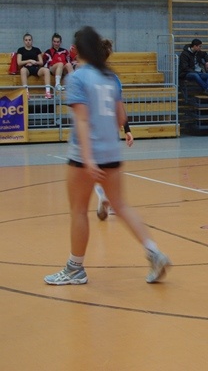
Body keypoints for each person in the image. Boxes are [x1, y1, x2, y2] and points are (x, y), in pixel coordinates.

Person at [44, 26, 170, 285]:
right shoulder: (111, 77)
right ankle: (154, 251)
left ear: (76, 50)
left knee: (79, 210)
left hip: (84, 155)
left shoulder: (77, 77)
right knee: (121, 205)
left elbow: (81, 120)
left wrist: (88, 157)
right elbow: (121, 118)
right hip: (111, 151)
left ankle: (75, 269)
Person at [94, 38, 134, 221]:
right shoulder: (113, 78)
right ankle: (108, 199)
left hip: (94, 128)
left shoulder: (87, 76)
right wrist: (127, 129)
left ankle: (102, 195)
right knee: (110, 168)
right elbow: (120, 107)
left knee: (93, 169)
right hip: (111, 128)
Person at [16, 33, 53, 99]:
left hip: (36, 68)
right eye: (26, 40)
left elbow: (41, 62)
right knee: (22, 70)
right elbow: (19, 62)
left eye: (29, 40)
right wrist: (29, 61)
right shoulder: (20, 50)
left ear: (32, 41)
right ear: (24, 41)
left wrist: (34, 63)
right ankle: (26, 92)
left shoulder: (36, 50)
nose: (28, 41)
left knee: (46, 70)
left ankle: (47, 92)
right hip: (26, 69)